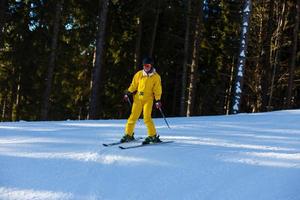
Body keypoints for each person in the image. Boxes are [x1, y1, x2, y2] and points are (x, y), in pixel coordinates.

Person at [121, 57, 162, 144]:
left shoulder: (156, 77)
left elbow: (157, 89)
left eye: (147, 65)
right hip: (138, 99)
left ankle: (153, 136)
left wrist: (158, 100)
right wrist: (128, 92)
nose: (146, 67)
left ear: (151, 66)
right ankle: (128, 134)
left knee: (147, 118)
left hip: (148, 100)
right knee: (133, 117)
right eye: (144, 66)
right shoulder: (139, 74)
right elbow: (134, 85)